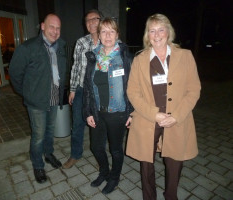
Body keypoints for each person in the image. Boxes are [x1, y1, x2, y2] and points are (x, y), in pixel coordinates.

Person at [126, 13, 201, 200]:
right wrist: (155, 115)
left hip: (177, 118)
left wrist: (176, 115)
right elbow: (133, 92)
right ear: (147, 35)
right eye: (152, 30)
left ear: (169, 32)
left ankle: (171, 195)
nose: (157, 34)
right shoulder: (140, 59)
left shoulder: (185, 56)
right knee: (146, 163)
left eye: (161, 29)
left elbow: (194, 90)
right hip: (148, 119)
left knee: (175, 161)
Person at [9, 14, 67, 184]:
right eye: (51, 27)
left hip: (54, 98)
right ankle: (38, 165)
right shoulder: (28, 48)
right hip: (36, 102)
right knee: (38, 136)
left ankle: (48, 154)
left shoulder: (61, 46)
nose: (55, 32)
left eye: (58, 28)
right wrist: (27, 93)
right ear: (42, 26)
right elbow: (14, 74)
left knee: (50, 131)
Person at [83, 17, 133, 194]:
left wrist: (131, 112)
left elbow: (134, 87)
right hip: (97, 111)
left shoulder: (125, 57)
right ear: (99, 34)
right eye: (104, 31)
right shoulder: (92, 57)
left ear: (117, 34)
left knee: (116, 149)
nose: (108, 35)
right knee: (96, 147)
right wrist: (88, 111)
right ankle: (104, 172)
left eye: (112, 31)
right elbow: (88, 87)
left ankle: (114, 177)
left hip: (117, 113)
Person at [62, 9, 102, 169]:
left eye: (95, 19)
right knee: (77, 123)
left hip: (99, 92)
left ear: (101, 20)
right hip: (80, 89)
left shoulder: (109, 40)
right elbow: (76, 67)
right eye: (88, 20)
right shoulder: (81, 42)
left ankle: (100, 157)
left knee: (98, 125)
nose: (91, 22)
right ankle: (75, 154)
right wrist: (72, 90)